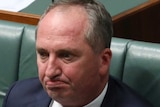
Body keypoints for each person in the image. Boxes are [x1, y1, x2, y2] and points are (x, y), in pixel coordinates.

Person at [3, 0, 153, 107]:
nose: (50, 71)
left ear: (103, 61)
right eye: (43, 54)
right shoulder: (18, 97)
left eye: (66, 55)